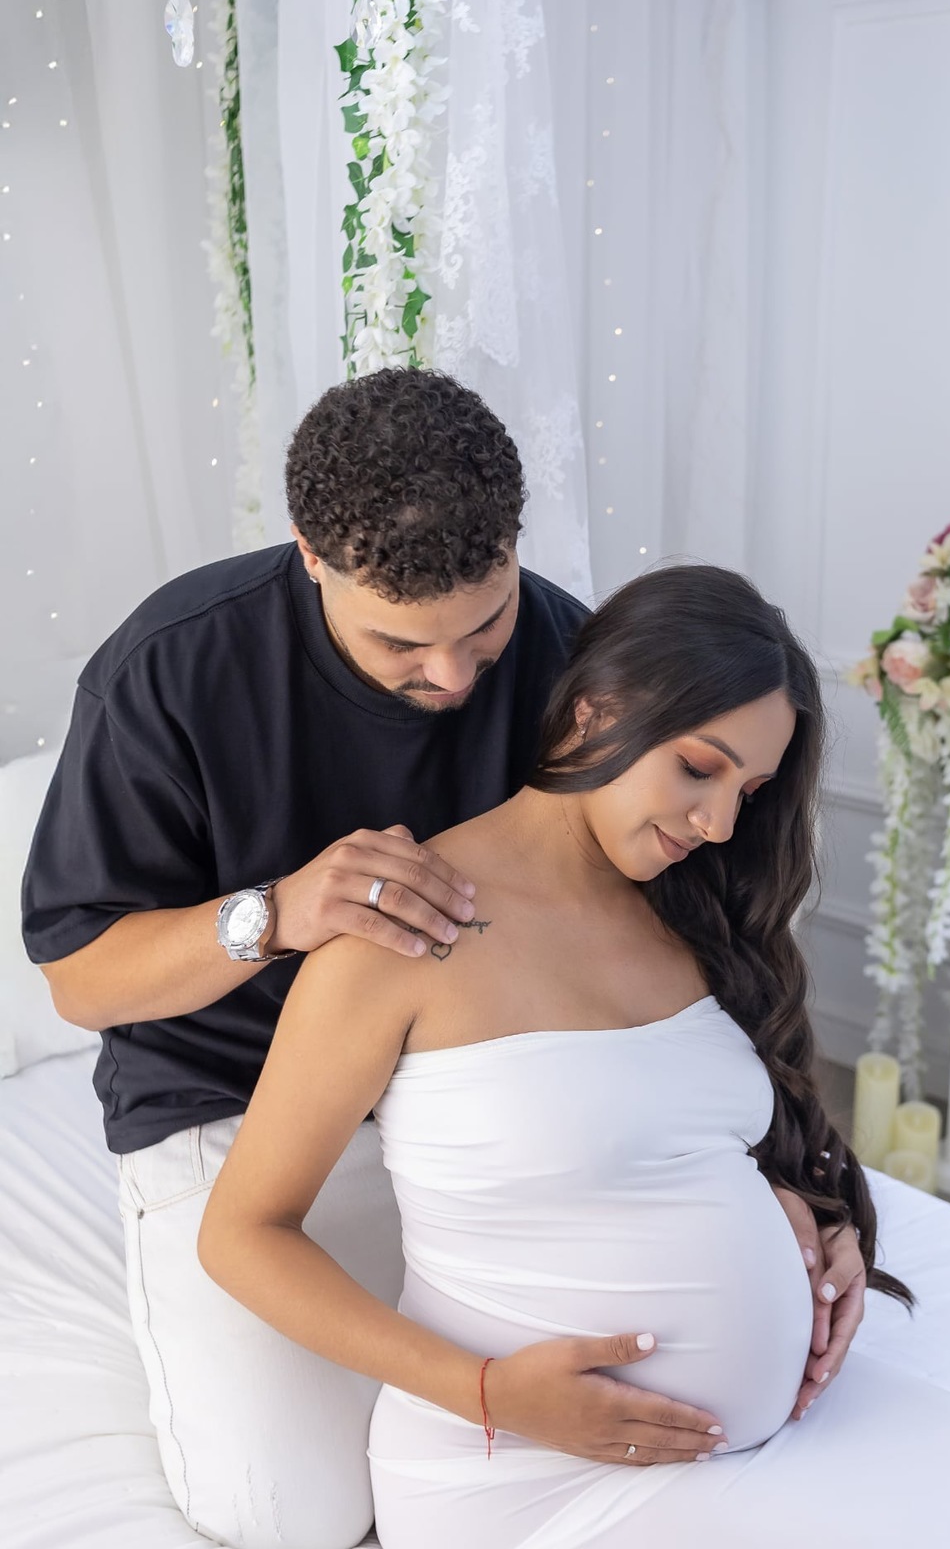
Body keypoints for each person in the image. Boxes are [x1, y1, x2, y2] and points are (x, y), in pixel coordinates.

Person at [22, 369, 866, 1548]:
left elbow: (676, 962)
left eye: (485, 625)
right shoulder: (174, 669)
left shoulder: (576, 659)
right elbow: (79, 976)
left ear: (515, 547)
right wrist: (274, 913)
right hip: (230, 1093)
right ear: (311, 557)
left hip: (470, 1099)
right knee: (291, 1509)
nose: (459, 680)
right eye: (404, 645)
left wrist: (786, 1196)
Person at [198, 564, 950, 1549]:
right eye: (699, 768)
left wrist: (823, 1229)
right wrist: (489, 1391)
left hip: (750, 1442)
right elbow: (242, 1233)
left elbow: (696, 1144)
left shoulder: (692, 908)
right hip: (523, 1470)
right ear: (596, 709)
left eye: (747, 790)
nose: (717, 822)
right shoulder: (401, 928)